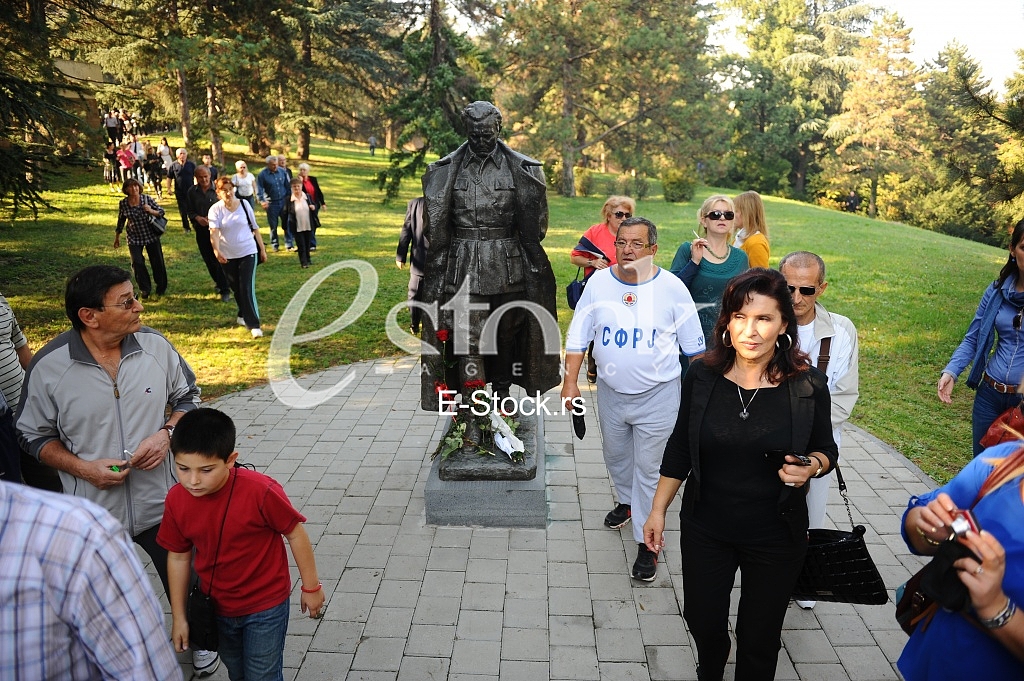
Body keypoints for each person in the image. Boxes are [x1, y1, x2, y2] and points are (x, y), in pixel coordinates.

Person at [15, 264, 219, 676]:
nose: (139, 307)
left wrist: (166, 434)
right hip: (91, 512)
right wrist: (83, 469)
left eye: (135, 297)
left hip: (162, 502)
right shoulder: (50, 366)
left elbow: (188, 397)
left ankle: (199, 641)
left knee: (189, 580)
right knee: (98, 599)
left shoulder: (156, 348)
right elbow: (32, 436)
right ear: (89, 315)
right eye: (126, 302)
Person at [644, 268, 838, 681]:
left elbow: (828, 450)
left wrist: (811, 467)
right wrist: (657, 510)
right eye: (740, 317)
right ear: (727, 322)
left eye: (764, 319)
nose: (751, 330)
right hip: (706, 526)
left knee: (760, 637)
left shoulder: (806, 386)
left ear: (783, 325)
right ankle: (710, 664)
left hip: (775, 533)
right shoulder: (701, 376)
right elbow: (680, 445)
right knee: (702, 619)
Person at [562, 216, 706, 581]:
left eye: (636, 244)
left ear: (653, 249)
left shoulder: (673, 289)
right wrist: (570, 382)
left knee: (650, 468)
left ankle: (648, 541)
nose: (627, 250)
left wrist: (704, 400)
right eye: (622, 242)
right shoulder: (598, 283)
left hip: (658, 395)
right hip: (610, 392)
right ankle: (628, 502)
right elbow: (578, 336)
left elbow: (696, 353)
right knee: (616, 456)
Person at [159, 408, 324, 680]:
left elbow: (295, 533)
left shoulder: (261, 491)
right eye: (183, 468)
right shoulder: (176, 500)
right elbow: (178, 556)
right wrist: (179, 616)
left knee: (262, 675)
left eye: (206, 469)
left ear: (231, 460)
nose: (193, 480)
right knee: (237, 672)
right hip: (218, 608)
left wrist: (311, 587)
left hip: (265, 606)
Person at [418, 101, 560, 412]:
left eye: (486, 135)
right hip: (462, 263)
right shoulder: (444, 171)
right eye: (474, 135)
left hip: (508, 264)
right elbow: (434, 225)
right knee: (467, 336)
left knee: (506, 332)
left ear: (498, 129)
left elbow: (538, 225)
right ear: (466, 131)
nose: (481, 141)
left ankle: (502, 393)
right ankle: (473, 402)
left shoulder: (524, 169)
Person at [0, 481, 181, 680]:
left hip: (154, 506)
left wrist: (163, 446)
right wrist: (81, 467)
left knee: (179, 576)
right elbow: (35, 447)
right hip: (95, 498)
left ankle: (198, 637)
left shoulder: (81, 536)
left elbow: (145, 669)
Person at [898, 440, 1024, 679]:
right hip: (932, 662)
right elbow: (916, 521)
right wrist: (929, 529)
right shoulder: (1006, 460)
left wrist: (996, 607)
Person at [779, 251, 859, 610]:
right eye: (788, 287)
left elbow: (845, 395)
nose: (796, 298)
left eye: (806, 290)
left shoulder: (841, 331)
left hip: (817, 443)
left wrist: (810, 442)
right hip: (766, 437)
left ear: (821, 288)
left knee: (811, 511)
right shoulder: (765, 320)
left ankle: (805, 578)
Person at [939, 218, 1024, 456]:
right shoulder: (997, 291)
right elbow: (974, 337)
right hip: (990, 395)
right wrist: (952, 371)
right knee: (982, 471)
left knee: (1012, 479)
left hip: (1022, 402)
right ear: (1012, 250)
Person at [670, 195, 749, 359]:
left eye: (728, 215)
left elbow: (745, 300)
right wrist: (694, 262)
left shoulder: (741, 257)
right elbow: (672, 291)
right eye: (715, 214)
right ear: (704, 220)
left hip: (725, 339)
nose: (722, 218)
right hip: (687, 336)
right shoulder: (687, 249)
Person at [569, 195, 635, 383]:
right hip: (599, 288)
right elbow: (574, 257)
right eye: (619, 214)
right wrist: (592, 261)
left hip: (626, 288)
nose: (623, 219)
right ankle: (593, 365)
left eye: (627, 215)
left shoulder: (632, 233)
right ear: (608, 215)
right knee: (598, 326)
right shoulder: (595, 232)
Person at [209, 176, 267, 338]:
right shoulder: (215, 210)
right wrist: (217, 251)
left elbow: (255, 228)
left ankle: (254, 324)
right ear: (218, 193)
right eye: (224, 190)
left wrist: (262, 249)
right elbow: (214, 233)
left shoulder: (244, 204)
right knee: (236, 289)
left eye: (230, 189)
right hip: (227, 255)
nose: (228, 193)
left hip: (248, 251)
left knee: (246, 288)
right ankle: (242, 314)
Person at [114, 178, 167, 299]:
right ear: (126, 189)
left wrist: (151, 210)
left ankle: (161, 287)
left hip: (150, 235)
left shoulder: (146, 199)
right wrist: (117, 237)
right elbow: (121, 220)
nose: (134, 189)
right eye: (131, 187)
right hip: (134, 237)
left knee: (157, 261)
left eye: (136, 186)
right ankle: (145, 288)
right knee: (137, 263)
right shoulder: (123, 203)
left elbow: (161, 212)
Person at [186, 166, 232, 302]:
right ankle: (219, 282)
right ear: (196, 177)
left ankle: (226, 289)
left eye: (206, 176)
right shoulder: (192, 192)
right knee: (209, 260)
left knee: (220, 258)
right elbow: (189, 210)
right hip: (202, 230)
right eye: (200, 177)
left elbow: (228, 207)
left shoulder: (218, 190)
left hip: (219, 231)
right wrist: (197, 218)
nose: (204, 179)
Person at [396, 196, 427, 334]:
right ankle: (414, 323)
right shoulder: (415, 204)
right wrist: (400, 255)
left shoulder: (447, 202)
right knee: (414, 295)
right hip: (419, 260)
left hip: (440, 260)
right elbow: (406, 230)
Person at [257, 155, 291, 252]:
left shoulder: (282, 171)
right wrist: (262, 201)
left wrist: (290, 198)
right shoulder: (262, 175)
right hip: (272, 203)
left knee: (286, 223)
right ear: (268, 165)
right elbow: (259, 189)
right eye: (272, 165)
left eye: (276, 164)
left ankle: (289, 243)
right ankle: (275, 244)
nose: (275, 166)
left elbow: (287, 185)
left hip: (283, 201)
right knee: (273, 225)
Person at [732, 191, 770, 268]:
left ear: (747, 213)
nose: (732, 214)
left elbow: (761, 277)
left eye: (736, 211)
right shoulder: (739, 238)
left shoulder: (756, 243)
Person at [285, 177, 315, 268]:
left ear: (301, 186)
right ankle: (304, 262)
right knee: (301, 244)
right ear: (291, 188)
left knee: (307, 243)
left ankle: (308, 259)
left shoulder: (307, 197)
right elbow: (285, 213)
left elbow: (314, 206)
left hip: (308, 224)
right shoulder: (289, 200)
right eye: (294, 187)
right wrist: (285, 226)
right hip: (297, 226)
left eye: (298, 186)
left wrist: (313, 207)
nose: (297, 188)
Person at [297, 162, 325, 250]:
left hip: (315, 204)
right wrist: (300, 182)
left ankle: (310, 242)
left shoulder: (313, 179)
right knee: (309, 224)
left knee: (314, 223)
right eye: (301, 170)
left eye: (304, 170)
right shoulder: (297, 181)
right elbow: (297, 193)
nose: (302, 171)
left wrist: (323, 203)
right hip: (304, 206)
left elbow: (318, 192)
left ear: (308, 171)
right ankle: (311, 244)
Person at [168, 148, 196, 233]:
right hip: (179, 191)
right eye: (180, 153)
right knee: (183, 210)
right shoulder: (173, 165)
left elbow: (196, 176)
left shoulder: (191, 165)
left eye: (184, 153)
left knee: (192, 209)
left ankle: (195, 225)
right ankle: (186, 228)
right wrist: (169, 189)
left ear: (186, 155)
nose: (182, 155)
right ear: (177, 155)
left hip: (191, 190)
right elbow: (169, 178)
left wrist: (196, 186)